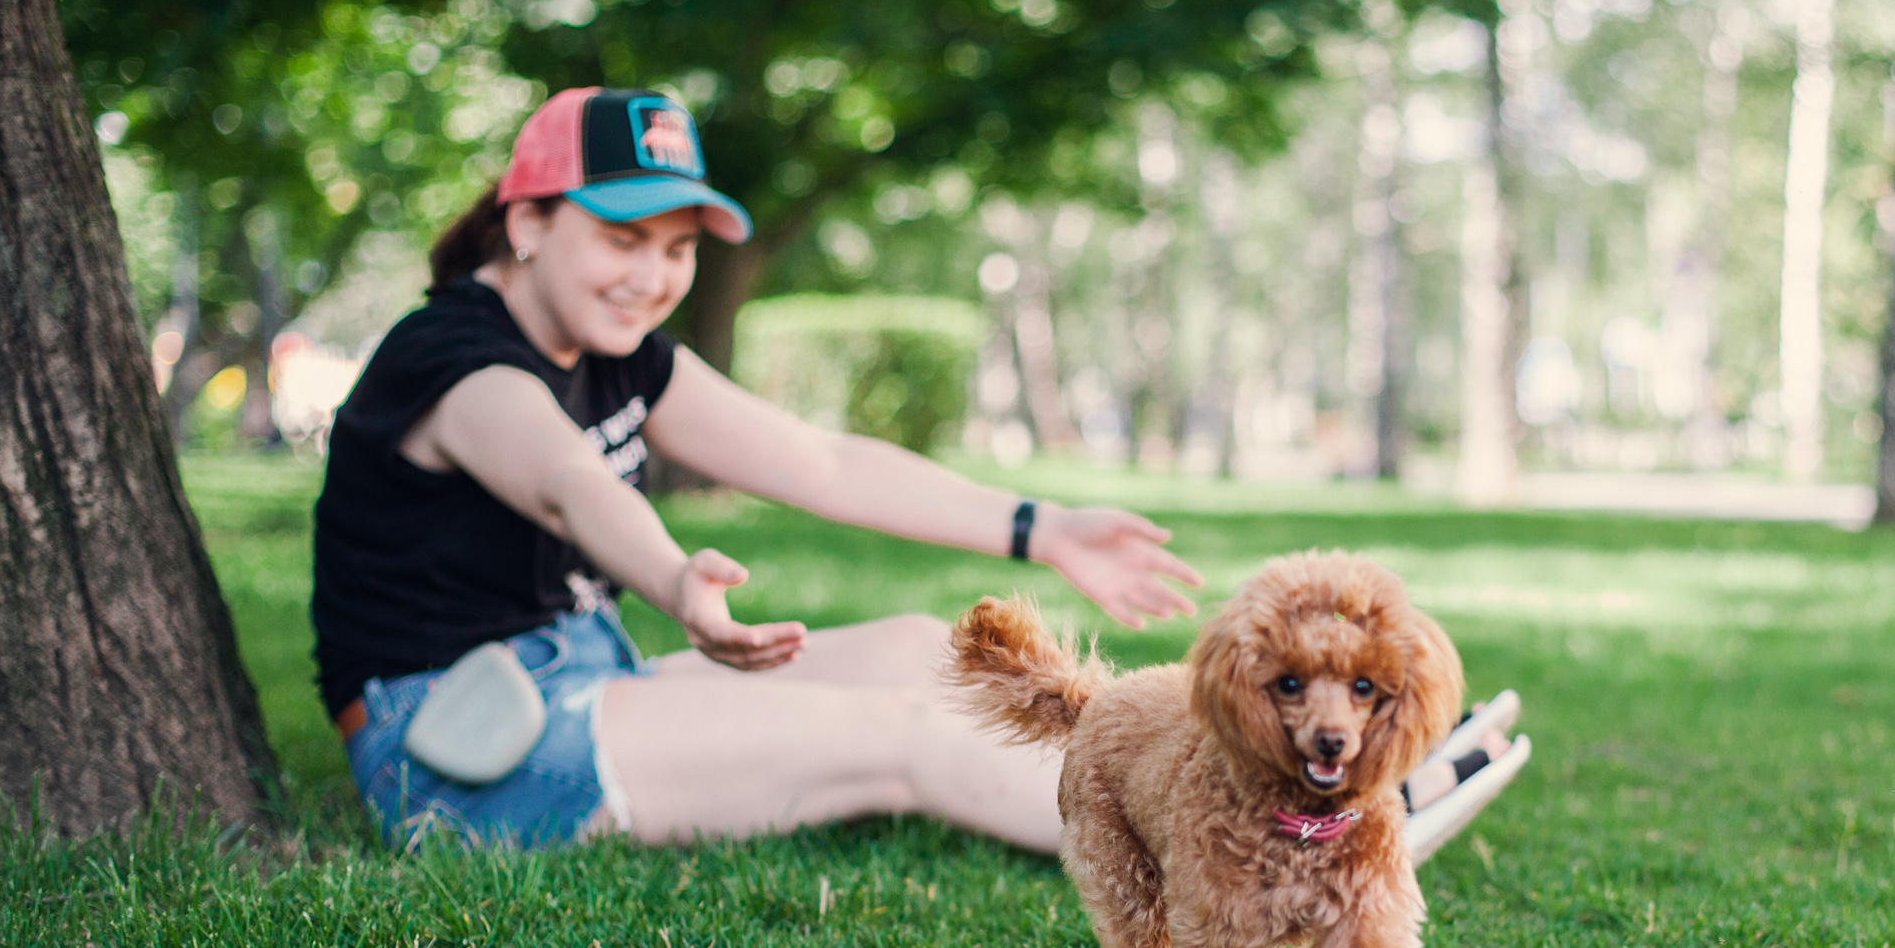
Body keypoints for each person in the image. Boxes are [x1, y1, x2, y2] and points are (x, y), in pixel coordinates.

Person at [310, 86, 1525, 855]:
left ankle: (1249, 771)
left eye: (676, 248)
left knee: (914, 649)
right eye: (620, 239)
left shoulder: (619, 351)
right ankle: (1298, 838)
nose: (652, 274)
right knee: (899, 732)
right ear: (526, 224)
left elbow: (821, 461)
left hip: (577, 684)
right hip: (461, 757)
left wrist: (1039, 527)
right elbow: (568, 485)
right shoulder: (453, 360)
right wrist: (679, 582)